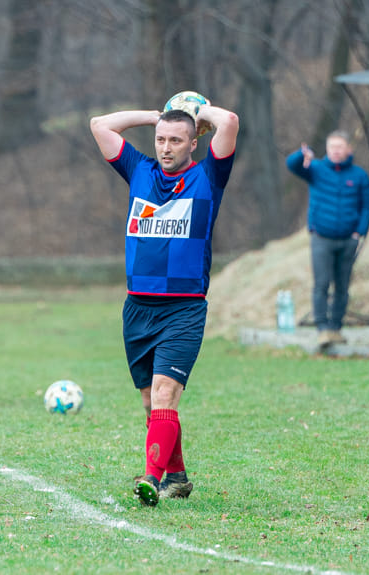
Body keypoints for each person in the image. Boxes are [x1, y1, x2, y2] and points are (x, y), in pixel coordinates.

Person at [89, 98, 239, 507]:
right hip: (137, 308)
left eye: (176, 139)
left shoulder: (209, 176)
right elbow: (100, 123)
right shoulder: (139, 171)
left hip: (184, 308)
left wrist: (200, 112)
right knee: (150, 404)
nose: (166, 146)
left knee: (163, 395)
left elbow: (228, 120)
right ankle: (177, 475)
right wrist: (156, 115)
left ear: (194, 144)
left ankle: (152, 479)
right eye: (160, 139)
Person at [286, 130, 369, 347]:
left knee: (342, 285)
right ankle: (322, 327)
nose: (335, 151)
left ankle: (336, 326)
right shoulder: (316, 169)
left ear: (348, 150)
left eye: (339, 146)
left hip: (348, 239)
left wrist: (359, 232)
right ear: (327, 150)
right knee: (322, 283)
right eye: (332, 147)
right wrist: (301, 154)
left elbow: (367, 205)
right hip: (321, 237)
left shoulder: (359, 175)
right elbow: (292, 165)